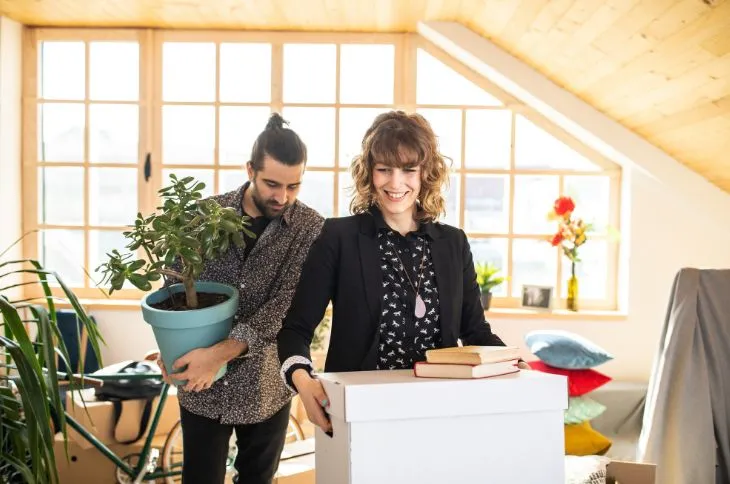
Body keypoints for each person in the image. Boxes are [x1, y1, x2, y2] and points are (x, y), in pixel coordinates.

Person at [276, 110, 528, 435]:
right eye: (384, 169)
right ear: (369, 173)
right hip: (360, 410)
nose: (396, 183)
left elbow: (475, 331)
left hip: (441, 413)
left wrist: (513, 363)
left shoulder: (454, 243)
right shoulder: (337, 238)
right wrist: (304, 382)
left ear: (426, 174)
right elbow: (294, 330)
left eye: (409, 170)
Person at [157, 113, 324, 484]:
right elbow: (172, 294)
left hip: (266, 387)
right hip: (202, 385)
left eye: (294, 186)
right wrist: (168, 352)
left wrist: (218, 354)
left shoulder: (310, 228)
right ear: (250, 169)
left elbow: (284, 307)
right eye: (272, 184)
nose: (282, 197)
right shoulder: (202, 216)